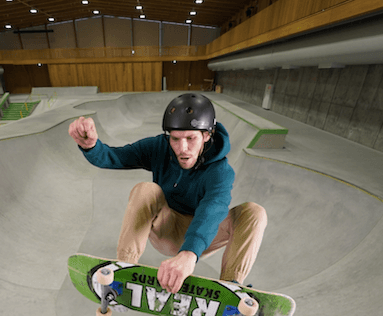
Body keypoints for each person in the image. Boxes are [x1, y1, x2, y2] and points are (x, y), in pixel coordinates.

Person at [68, 93, 267, 294]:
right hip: (167, 228)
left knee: (253, 212)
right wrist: (91, 147)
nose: (182, 149)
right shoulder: (159, 147)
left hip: (203, 238)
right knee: (146, 190)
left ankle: (230, 290)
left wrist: (189, 254)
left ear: (207, 135)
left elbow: (213, 208)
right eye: (175, 139)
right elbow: (116, 157)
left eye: (191, 138)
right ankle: (123, 271)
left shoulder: (220, 171)